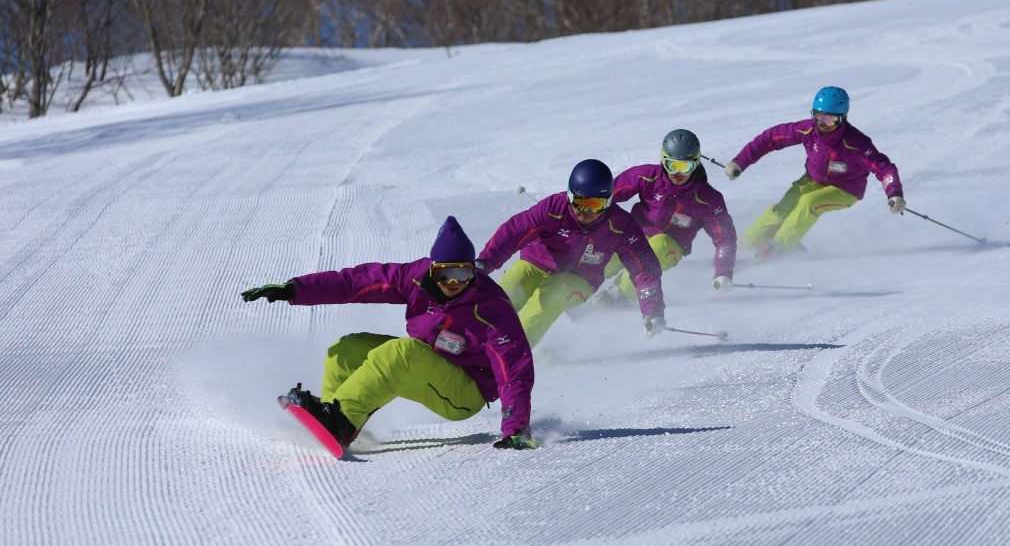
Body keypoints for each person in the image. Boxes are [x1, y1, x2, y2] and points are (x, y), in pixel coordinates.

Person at [240, 216, 539, 450]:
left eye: (461, 273)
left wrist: (516, 427)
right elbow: (354, 283)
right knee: (346, 349)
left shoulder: (490, 306)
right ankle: (333, 417)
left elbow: (514, 368)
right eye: (443, 274)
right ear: (432, 269)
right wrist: (295, 289)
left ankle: (340, 421)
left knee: (402, 353)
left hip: (465, 393)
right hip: (432, 363)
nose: (452, 282)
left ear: (473, 271)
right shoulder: (415, 279)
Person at [478, 158, 666, 347]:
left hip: (580, 279)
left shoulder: (620, 225)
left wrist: (653, 309)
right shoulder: (554, 208)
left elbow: (644, 266)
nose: (584, 212)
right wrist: (484, 261)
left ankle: (507, 355)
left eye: (594, 205)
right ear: (570, 195)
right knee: (514, 285)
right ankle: (472, 341)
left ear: (608, 202)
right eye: (579, 202)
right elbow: (514, 231)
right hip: (536, 264)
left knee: (554, 295)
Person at [723, 86, 905, 256]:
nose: (822, 124)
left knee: (809, 202)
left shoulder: (855, 143)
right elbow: (770, 138)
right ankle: (746, 243)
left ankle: (777, 248)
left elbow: (884, 168)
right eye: (818, 117)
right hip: (813, 180)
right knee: (786, 205)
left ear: (842, 118)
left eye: (829, 119)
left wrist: (894, 193)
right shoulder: (808, 130)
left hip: (845, 190)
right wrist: (740, 162)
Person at [601, 128, 737, 301]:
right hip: (638, 233)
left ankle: (616, 295)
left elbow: (725, 236)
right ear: (663, 160)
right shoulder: (648, 177)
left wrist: (723, 271)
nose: (677, 173)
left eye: (685, 166)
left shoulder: (707, 198)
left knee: (658, 246)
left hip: (670, 246)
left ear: (696, 163)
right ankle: (583, 286)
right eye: (672, 165)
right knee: (616, 246)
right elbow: (605, 195)